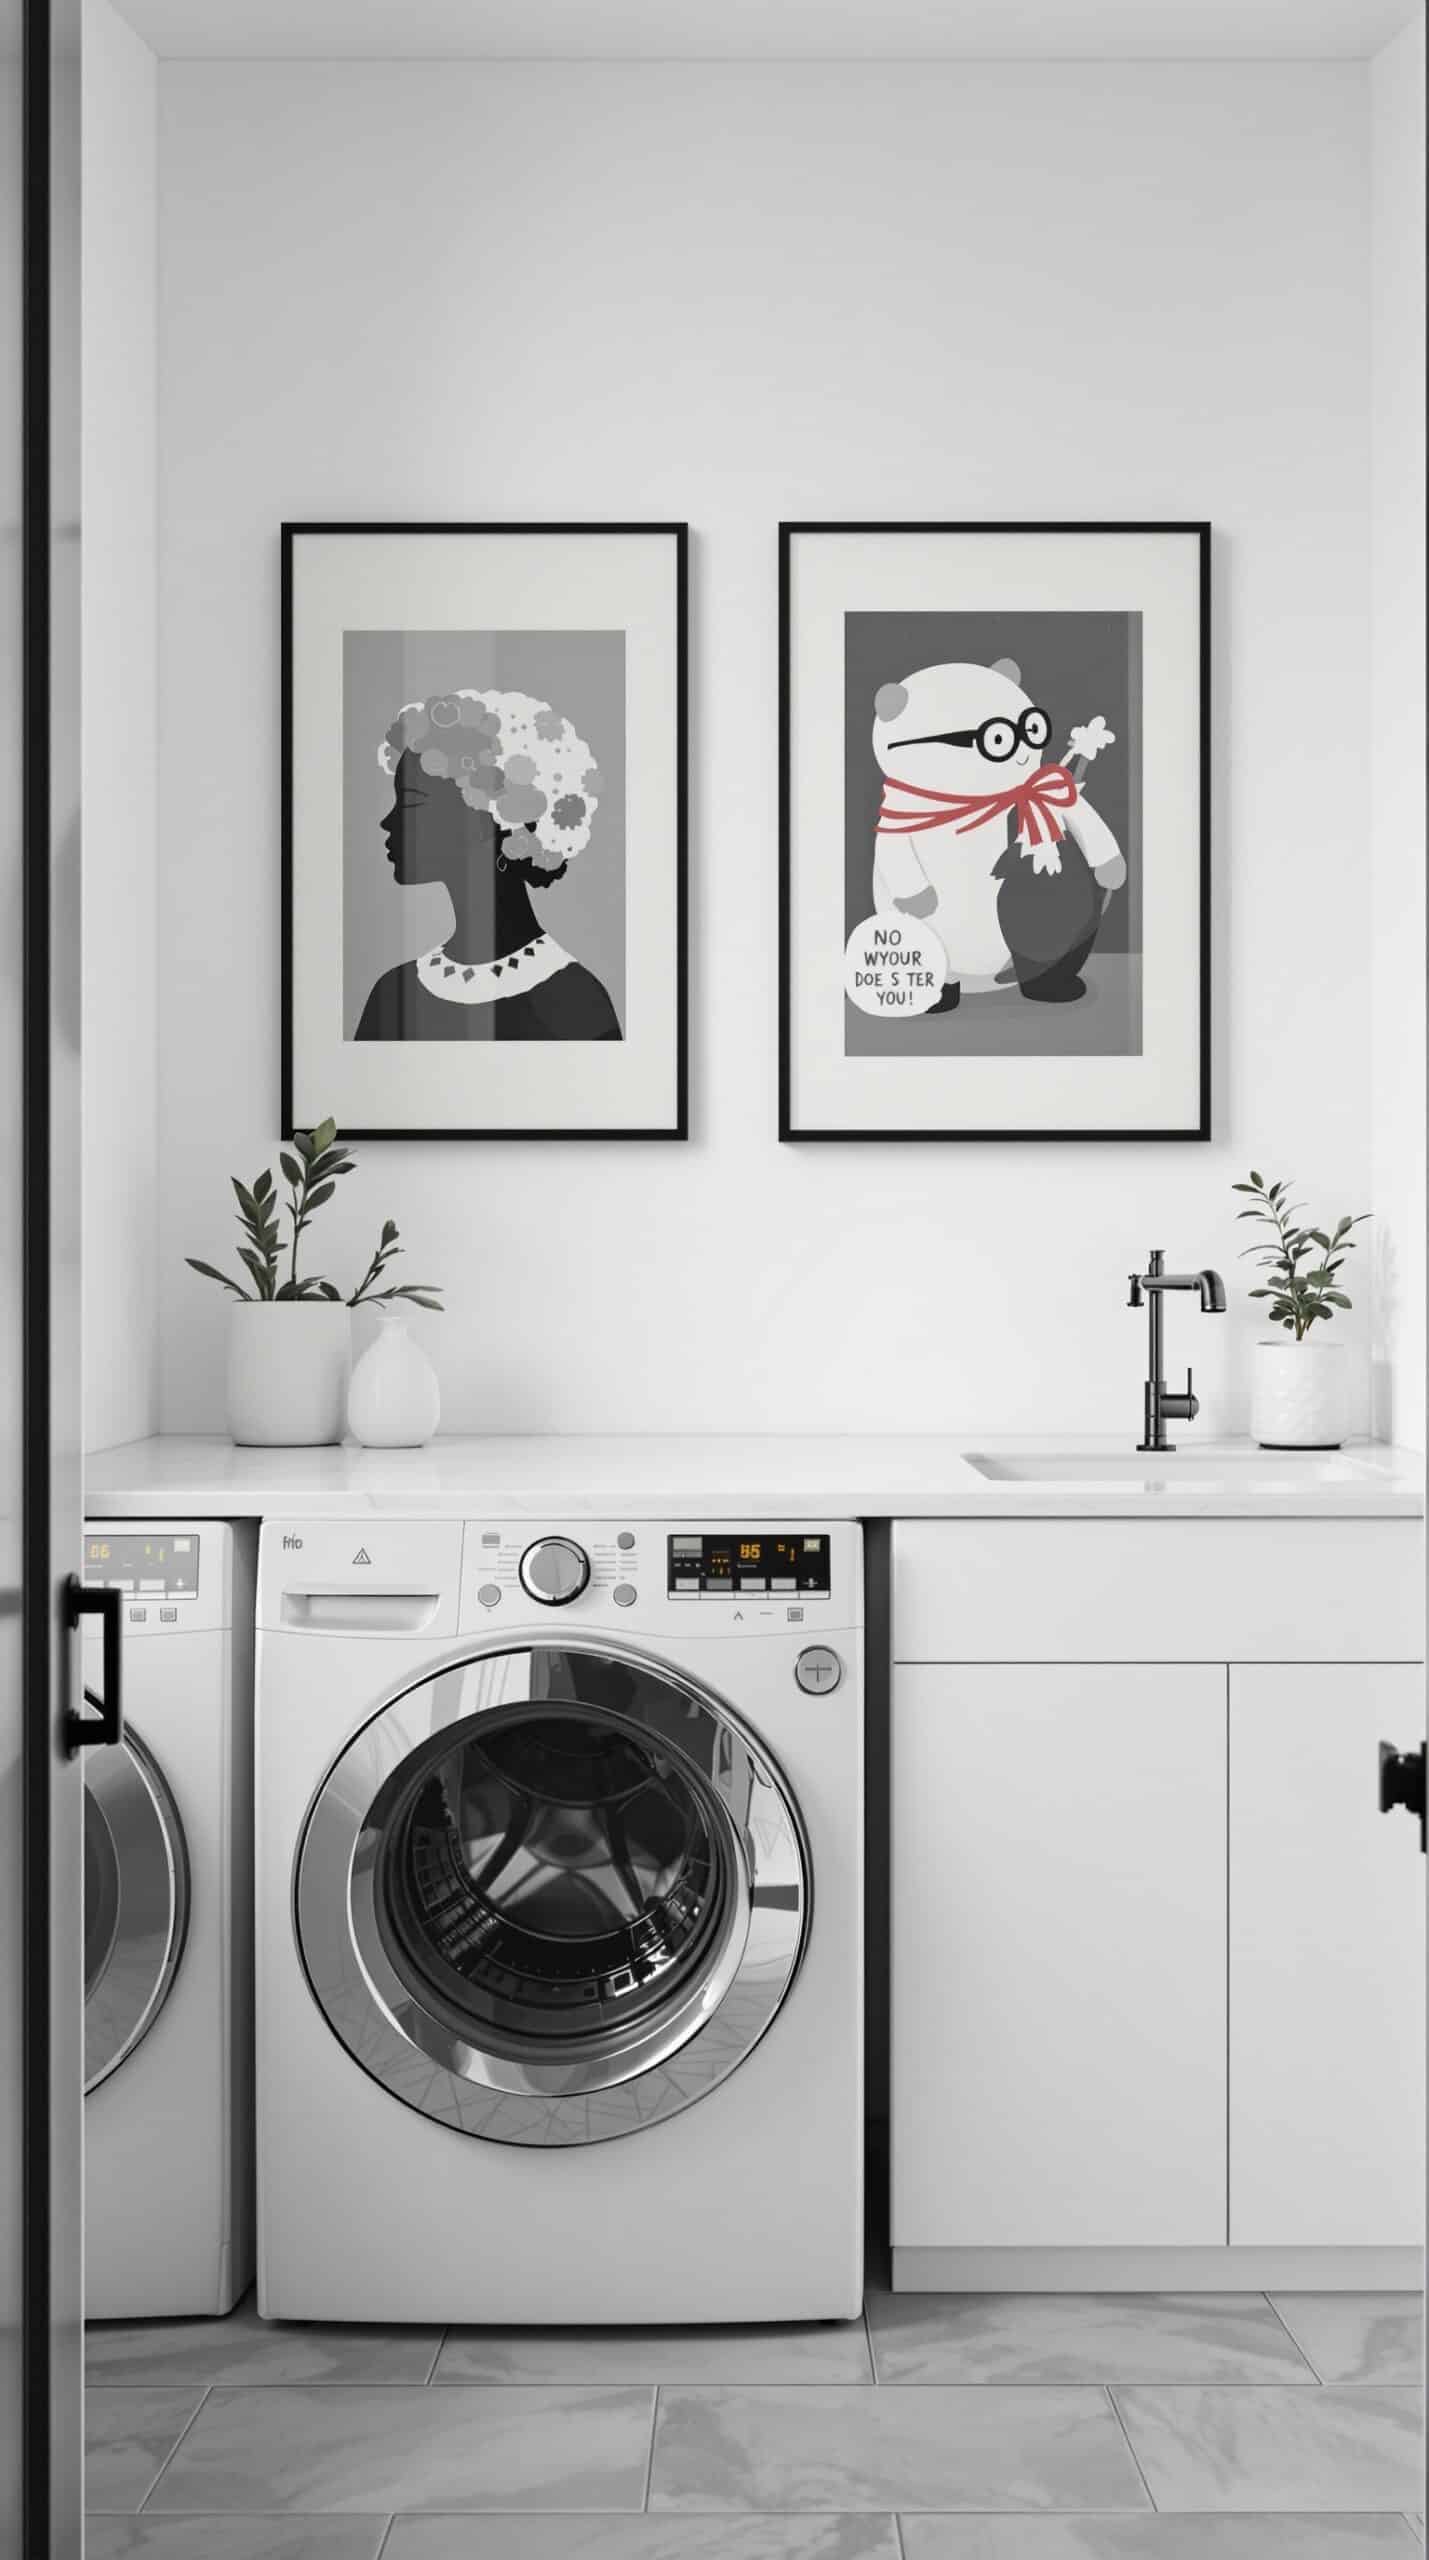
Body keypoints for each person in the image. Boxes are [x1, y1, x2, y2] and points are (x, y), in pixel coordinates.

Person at [356, 687, 622, 1041]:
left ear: (485, 822)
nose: (388, 822)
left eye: (409, 802)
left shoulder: (575, 1005)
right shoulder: (392, 996)